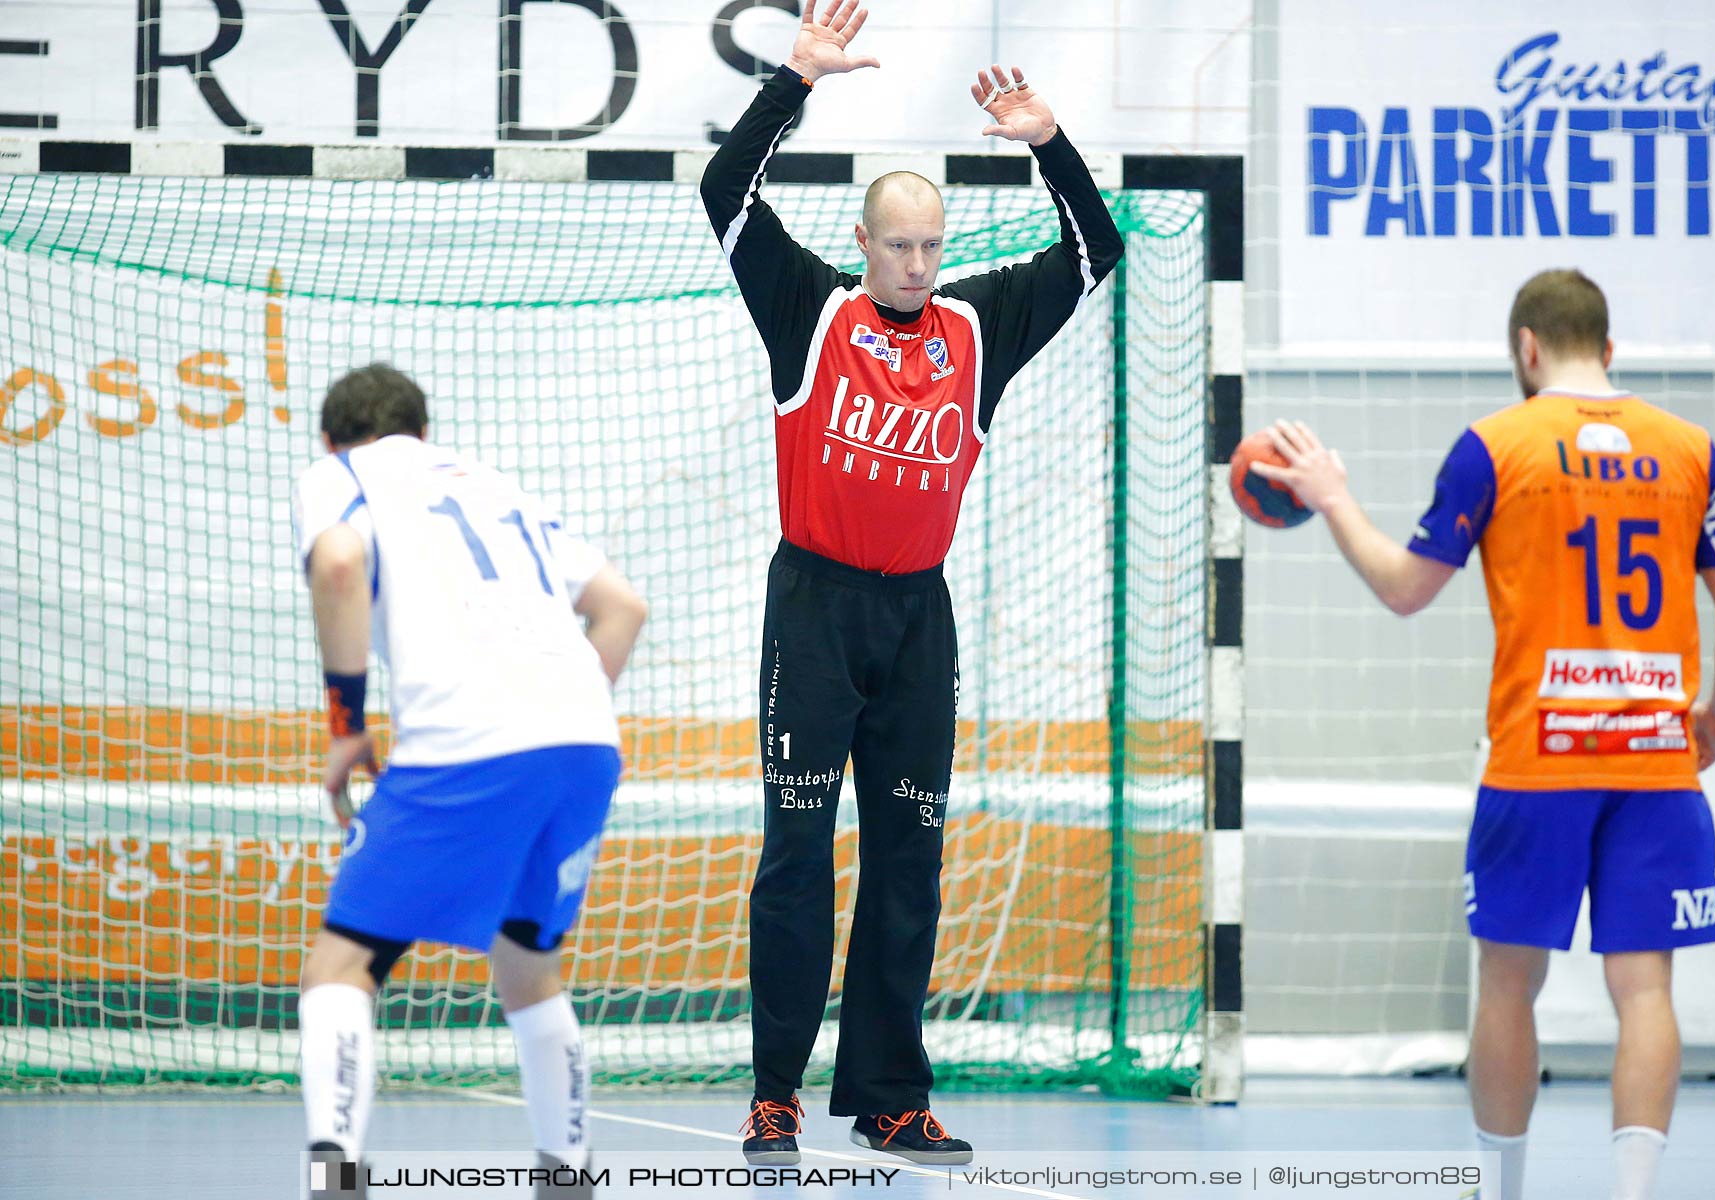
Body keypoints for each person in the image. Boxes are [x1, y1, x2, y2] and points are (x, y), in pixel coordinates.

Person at [699, 0, 1123, 1167]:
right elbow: (723, 196)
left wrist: (1048, 144)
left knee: (908, 862)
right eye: (900, 246)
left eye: (933, 246)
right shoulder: (811, 308)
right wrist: (795, 79)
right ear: (867, 240)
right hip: (816, 609)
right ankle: (775, 1093)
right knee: (796, 855)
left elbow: (1098, 251)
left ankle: (890, 1092)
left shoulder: (979, 328)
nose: (919, 265)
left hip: (916, 619)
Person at [1252, 269, 1715, 1200]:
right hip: (1656, 763)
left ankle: (1501, 1191)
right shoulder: (1693, 451)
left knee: (1506, 988)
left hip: (1540, 761)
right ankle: (1634, 1192)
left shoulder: (1495, 445)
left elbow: (1406, 588)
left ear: (1527, 349)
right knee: (1645, 991)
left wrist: (1332, 497)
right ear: (1608, 350)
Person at [290, 363, 647, 1199]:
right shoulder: (498, 487)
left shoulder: (339, 475)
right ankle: (568, 1178)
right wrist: (558, 709)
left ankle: (331, 1181)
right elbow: (624, 606)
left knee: (340, 969)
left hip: (471, 738)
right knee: (529, 967)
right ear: (423, 429)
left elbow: (338, 564)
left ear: (331, 438)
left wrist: (347, 726)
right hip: (587, 740)